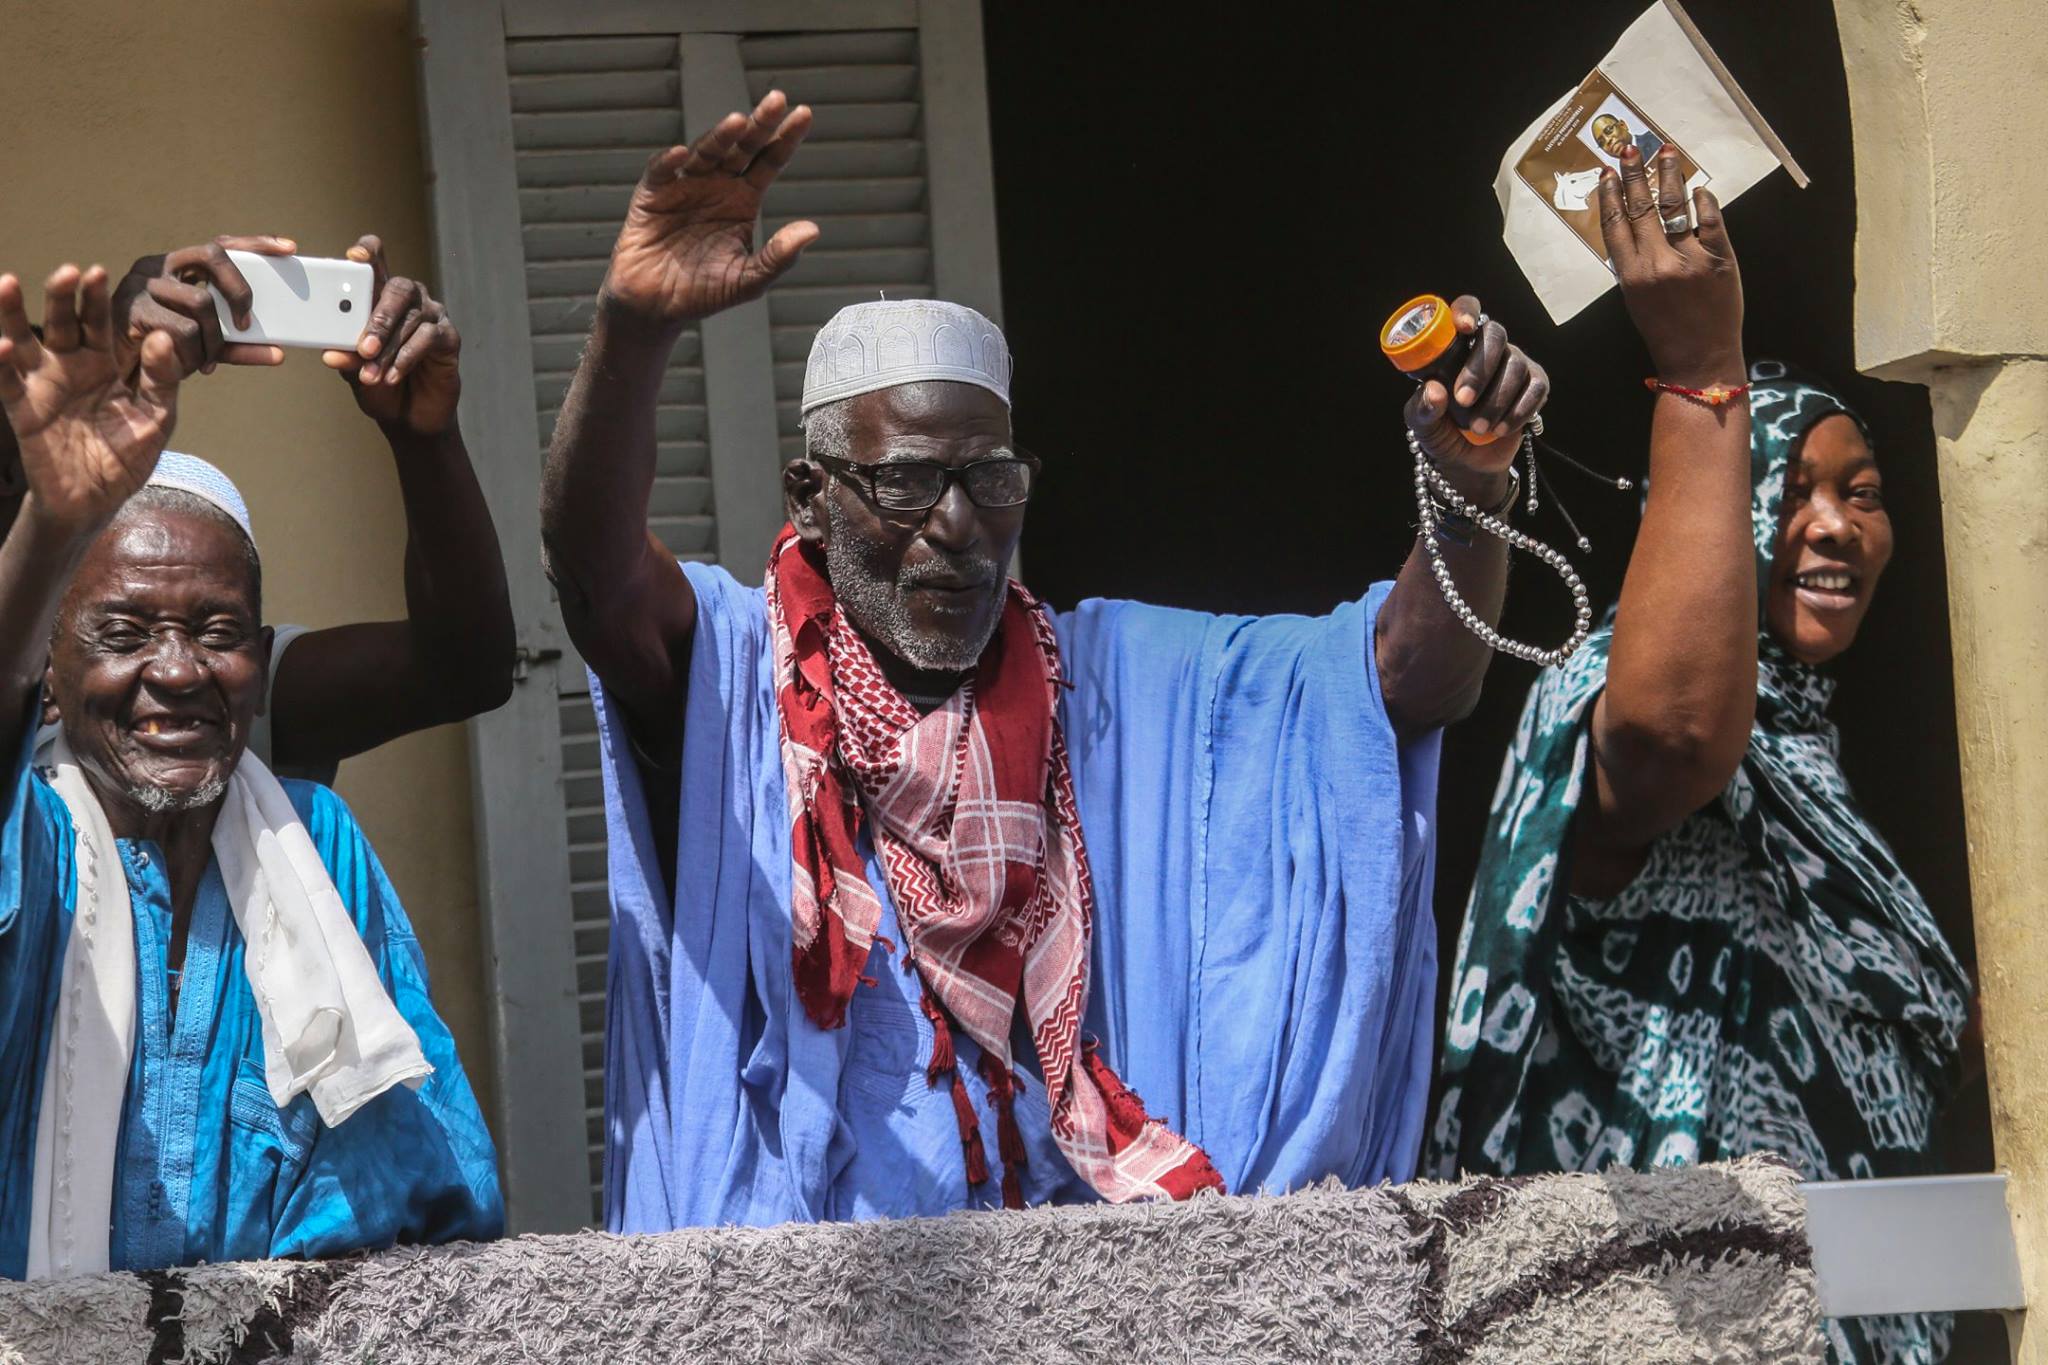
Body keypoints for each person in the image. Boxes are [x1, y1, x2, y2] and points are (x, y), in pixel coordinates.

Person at [541, 91, 1550, 1229]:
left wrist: (1466, 488)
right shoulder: (737, 678)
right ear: (810, 499)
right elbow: (597, 581)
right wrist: (631, 330)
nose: (956, 523)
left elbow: (1412, 682)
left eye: (989, 480)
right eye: (906, 481)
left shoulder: (1107, 686)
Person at [1430, 147, 1968, 1365]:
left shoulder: (1822, 796)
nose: (1834, 526)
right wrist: (1699, 370)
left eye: (1865, 492)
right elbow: (1672, 739)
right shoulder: (1613, 694)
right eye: (1792, 491)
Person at [0, 262, 502, 1278]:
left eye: (217, 633)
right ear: (49, 673)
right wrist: (53, 521)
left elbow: (431, 1191)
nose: (178, 671)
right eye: (126, 631)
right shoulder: (31, 844)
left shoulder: (314, 845)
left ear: (262, 667)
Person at [1, 233, 515, 783]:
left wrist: (423, 439)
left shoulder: (209, 686)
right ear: (52, 678)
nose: (176, 673)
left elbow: (465, 670)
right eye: (34, 433)